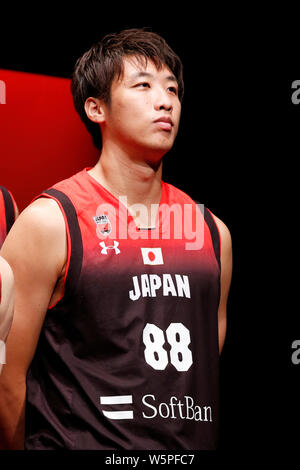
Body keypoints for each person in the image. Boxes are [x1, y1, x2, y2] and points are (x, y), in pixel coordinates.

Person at [0, 28, 232, 450]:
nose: (165, 101)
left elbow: (202, 372)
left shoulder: (213, 233)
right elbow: (7, 381)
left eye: (172, 89)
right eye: (143, 86)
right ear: (96, 108)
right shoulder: (50, 222)